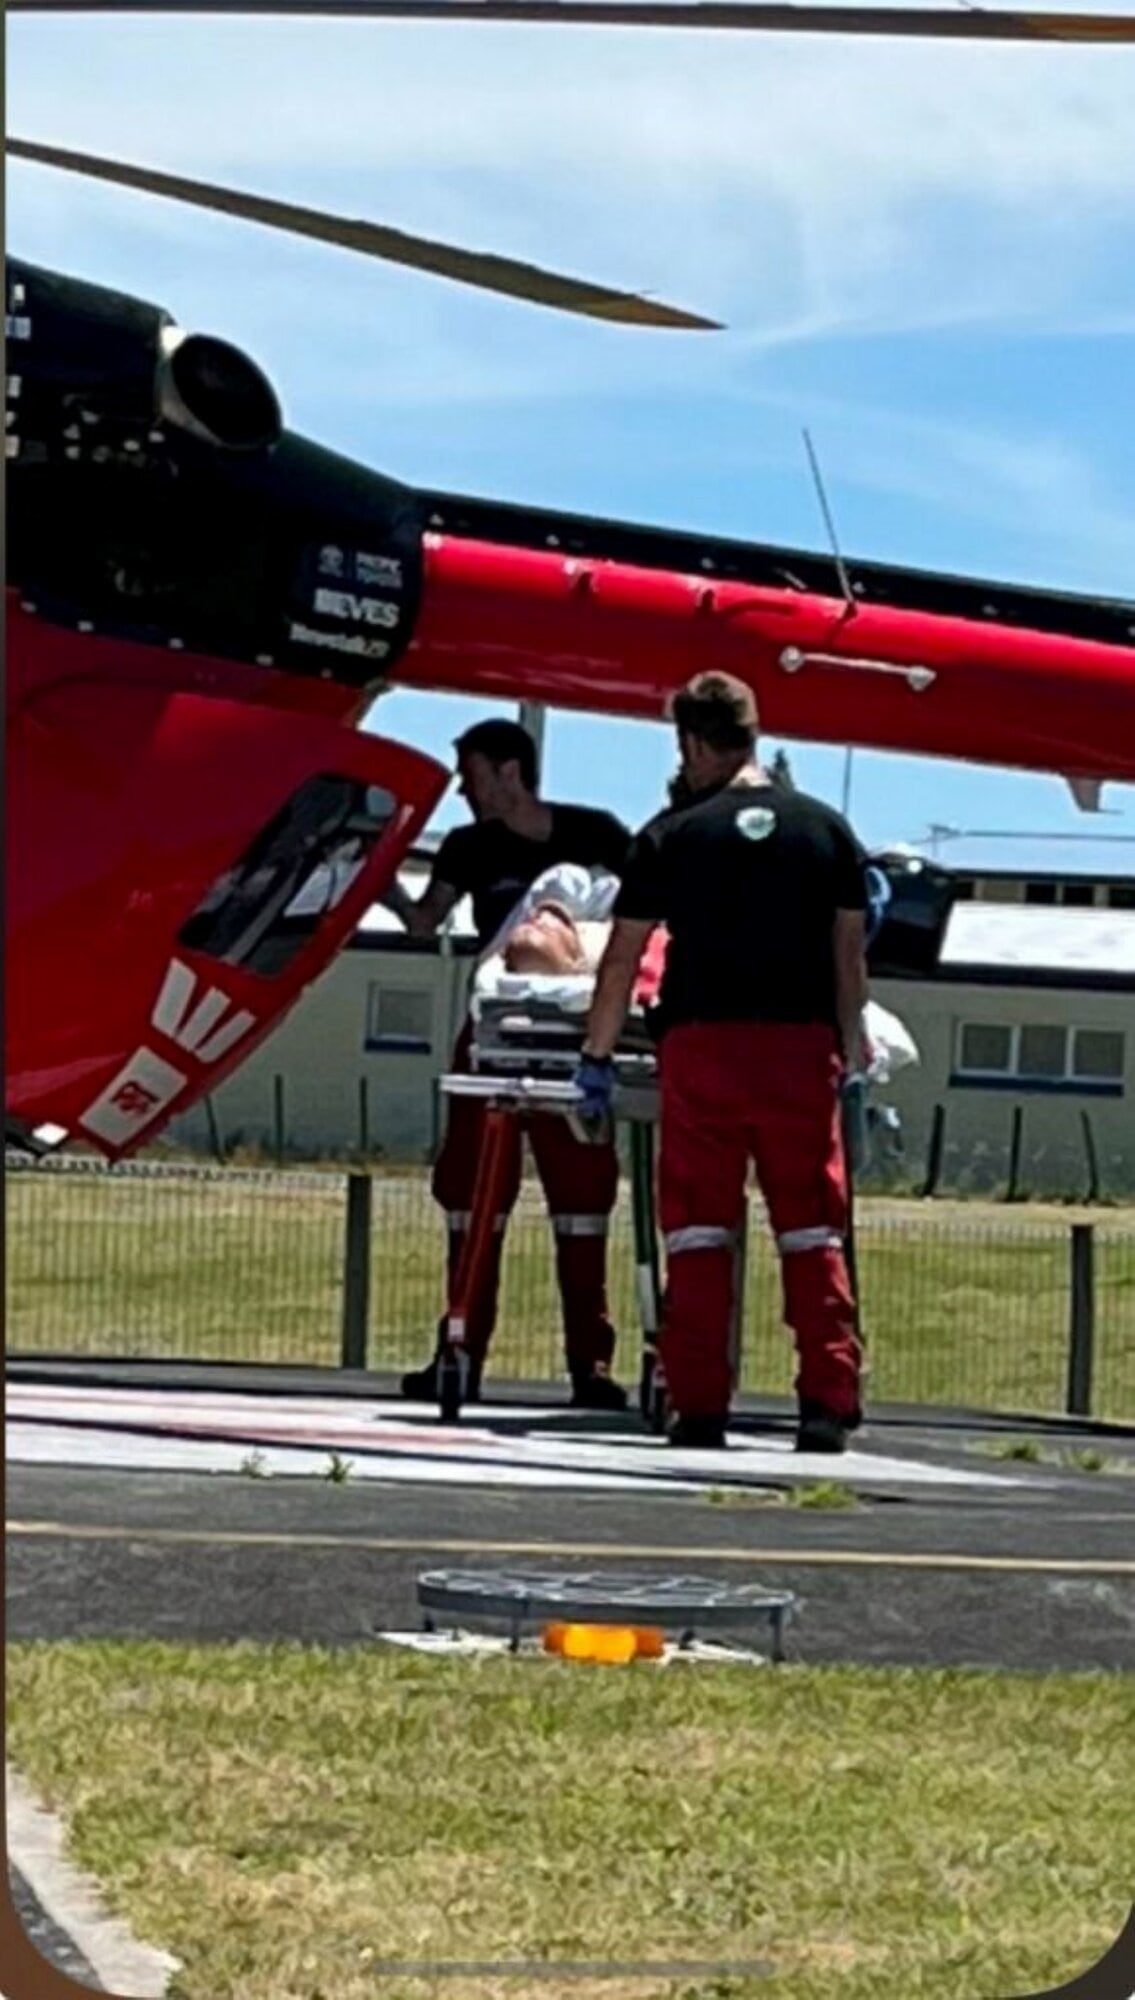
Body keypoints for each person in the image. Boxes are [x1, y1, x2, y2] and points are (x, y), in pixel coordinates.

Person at [574, 672, 870, 1454]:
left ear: (695, 743)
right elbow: (848, 959)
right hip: (800, 1050)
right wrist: (853, 1050)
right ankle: (826, 1400)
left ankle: (699, 1403)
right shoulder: (826, 831)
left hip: (702, 1048)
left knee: (698, 1231)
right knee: (811, 1229)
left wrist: (595, 1058)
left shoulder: (670, 835)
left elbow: (620, 959)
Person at [385, 717, 634, 1409]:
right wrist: (378, 879)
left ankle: (591, 1364)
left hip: (573, 1039)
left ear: (508, 771)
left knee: (581, 1198)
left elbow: (639, 915)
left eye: (471, 777)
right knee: (469, 1194)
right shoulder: (466, 848)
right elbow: (423, 921)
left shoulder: (599, 835)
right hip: (493, 1034)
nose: (464, 792)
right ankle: (458, 1350)